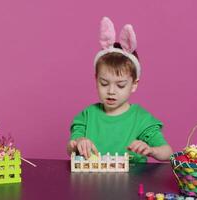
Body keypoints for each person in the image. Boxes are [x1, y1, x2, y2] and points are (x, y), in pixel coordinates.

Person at [67, 17, 173, 163]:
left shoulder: (141, 119)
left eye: (120, 85)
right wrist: (79, 142)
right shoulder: (88, 115)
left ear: (134, 84)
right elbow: (70, 148)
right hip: (92, 182)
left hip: (132, 183)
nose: (111, 91)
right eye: (104, 83)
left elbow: (168, 152)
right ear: (96, 80)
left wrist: (151, 150)